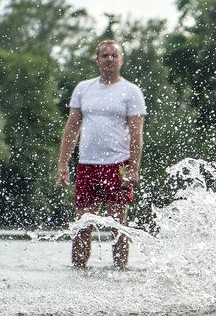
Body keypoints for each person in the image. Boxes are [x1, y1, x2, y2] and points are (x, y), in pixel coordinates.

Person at [56, 40, 146, 269]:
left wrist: (133, 167)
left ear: (121, 60)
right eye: (104, 55)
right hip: (87, 164)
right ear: (97, 60)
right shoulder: (83, 89)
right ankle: (78, 271)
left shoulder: (131, 92)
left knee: (118, 224)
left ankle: (120, 270)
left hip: (119, 164)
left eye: (114, 55)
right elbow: (71, 128)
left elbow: (136, 134)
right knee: (82, 223)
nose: (109, 59)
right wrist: (63, 163)